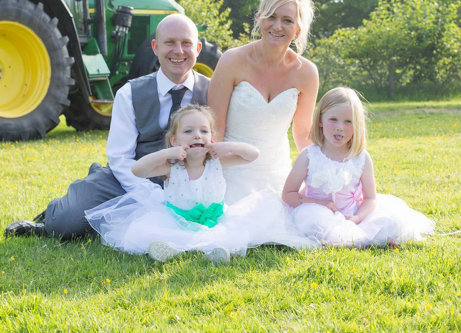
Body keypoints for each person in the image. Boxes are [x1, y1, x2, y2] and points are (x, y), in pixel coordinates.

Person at [4, 14, 210, 239]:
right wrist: (152, 196)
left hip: (194, 182)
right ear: (155, 47)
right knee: (67, 222)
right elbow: (121, 159)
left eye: (186, 43)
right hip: (133, 177)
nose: (178, 51)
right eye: (170, 42)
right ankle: (52, 217)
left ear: (198, 48)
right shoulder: (130, 93)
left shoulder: (213, 91)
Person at [85, 105, 260, 263]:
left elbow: (253, 155)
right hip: (177, 220)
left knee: (226, 235)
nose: (197, 135)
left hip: (215, 219)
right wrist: (167, 153)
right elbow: (137, 170)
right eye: (189, 131)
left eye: (204, 131)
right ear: (175, 140)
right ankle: (172, 250)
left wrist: (229, 146)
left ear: (211, 138)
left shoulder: (216, 163)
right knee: (166, 234)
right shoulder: (171, 167)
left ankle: (214, 252)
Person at [282, 87, 436, 247]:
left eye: (348, 121)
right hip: (318, 211)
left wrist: (357, 218)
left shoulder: (361, 158)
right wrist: (321, 204)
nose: (340, 127)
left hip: (354, 215)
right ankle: (355, 242)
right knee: (315, 221)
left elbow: (370, 198)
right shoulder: (309, 156)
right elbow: (288, 194)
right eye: (333, 119)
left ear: (357, 125)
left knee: (389, 220)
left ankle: (352, 240)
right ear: (320, 120)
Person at [208, 0, 319, 204]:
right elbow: (215, 128)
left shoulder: (307, 73)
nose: (277, 26)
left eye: (287, 20)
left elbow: (303, 133)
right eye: (271, 17)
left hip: (278, 175)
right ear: (260, 18)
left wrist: (320, 171)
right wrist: (213, 178)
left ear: (297, 29)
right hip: (231, 173)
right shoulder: (231, 61)